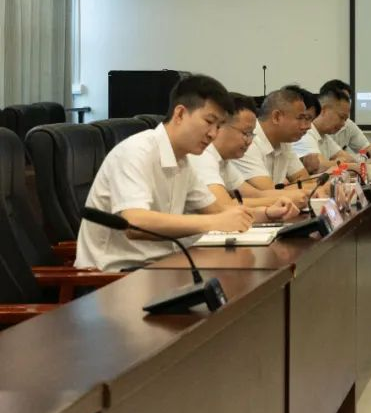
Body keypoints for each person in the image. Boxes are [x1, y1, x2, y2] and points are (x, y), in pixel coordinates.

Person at [76, 74, 255, 272]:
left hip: (163, 267)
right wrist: (213, 222)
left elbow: (219, 211)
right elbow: (134, 223)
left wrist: (267, 213)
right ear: (180, 114)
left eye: (219, 126)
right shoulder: (136, 151)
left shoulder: (184, 161)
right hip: (115, 276)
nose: (213, 133)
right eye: (209, 121)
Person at [189, 92, 302, 222]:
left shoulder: (223, 161)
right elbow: (224, 206)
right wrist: (282, 200)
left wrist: (296, 196)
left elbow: (255, 195)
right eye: (245, 133)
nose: (249, 141)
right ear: (220, 126)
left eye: (251, 134)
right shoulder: (203, 156)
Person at [233, 85, 326, 203]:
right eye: (301, 118)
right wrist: (319, 188)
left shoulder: (284, 141)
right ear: (276, 117)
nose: (308, 126)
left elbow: (303, 179)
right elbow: (269, 192)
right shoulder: (247, 142)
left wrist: (291, 189)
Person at [293, 86, 365, 175]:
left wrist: (336, 164)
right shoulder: (305, 133)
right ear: (323, 110)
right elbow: (319, 167)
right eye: (341, 117)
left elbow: (350, 160)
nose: (343, 124)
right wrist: (339, 162)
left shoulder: (324, 136)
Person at [322, 79, 371, 156]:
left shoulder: (347, 124)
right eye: (342, 98)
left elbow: (368, 150)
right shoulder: (311, 130)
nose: (346, 103)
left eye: (348, 99)